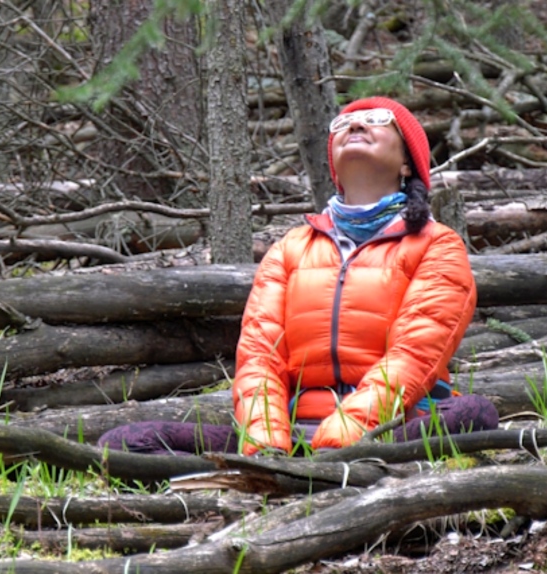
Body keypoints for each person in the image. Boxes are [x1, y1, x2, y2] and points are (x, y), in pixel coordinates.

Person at [98, 96, 498, 456]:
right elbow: (260, 357)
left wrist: (346, 436)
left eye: (376, 119)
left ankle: (339, 467)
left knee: (473, 413)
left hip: (393, 431)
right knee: (125, 443)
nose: (355, 125)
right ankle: (276, 476)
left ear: (408, 160)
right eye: (342, 124)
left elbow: (413, 357)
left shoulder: (436, 245)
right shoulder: (291, 247)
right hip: (292, 438)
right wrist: (267, 444)